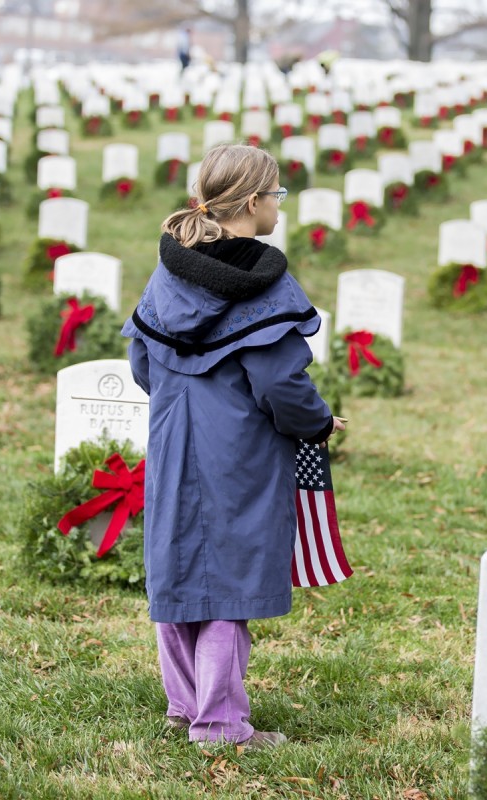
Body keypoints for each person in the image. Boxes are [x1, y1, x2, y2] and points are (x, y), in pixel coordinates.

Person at [122, 144, 344, 750]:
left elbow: (142, 361)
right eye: (278, 195)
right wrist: (318, 423)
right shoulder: (264, 286)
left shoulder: (169, 271)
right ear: (253, 202)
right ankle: (219, 724)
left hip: (174, 442)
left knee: (179, 566)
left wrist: (183, 397)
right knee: (228, 576)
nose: (280, 206)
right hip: (240, 452)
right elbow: (278, 382)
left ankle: (183, 703)